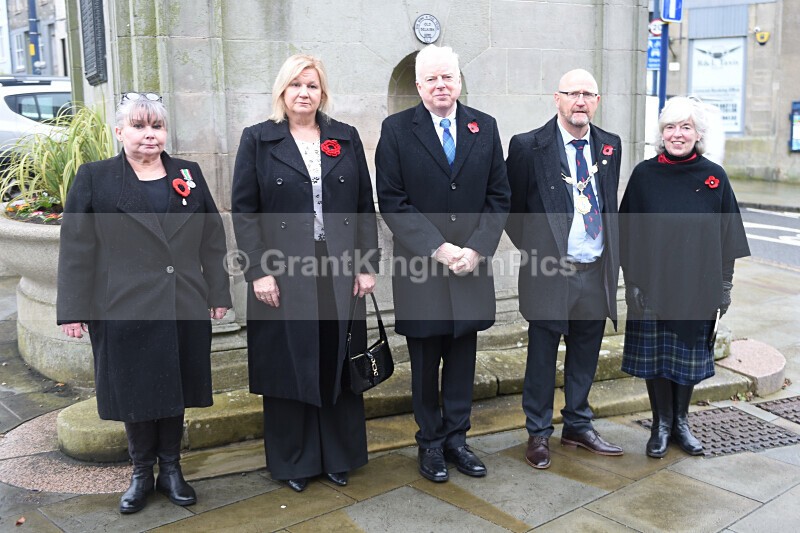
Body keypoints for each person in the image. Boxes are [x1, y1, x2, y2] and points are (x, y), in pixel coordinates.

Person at [57, 93, 232, 514]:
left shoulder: (187, 174)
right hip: (123, 305)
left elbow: (212, 238)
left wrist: (218, 292)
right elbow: (77, 246)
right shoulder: (95, 178)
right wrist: (73, 308)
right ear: (120, 132)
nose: (149, 134)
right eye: (138, 126)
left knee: (175, 386)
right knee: (136, 390)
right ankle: (140, 472)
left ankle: (172, 469)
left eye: (156, 126)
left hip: (182, 300)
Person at [231, 54, 379, 493]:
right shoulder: (258, 140)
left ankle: (338, 456)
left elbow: (362, 207)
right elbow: (244, 211)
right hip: (283, 269)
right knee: (290, 363)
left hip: (339, 267)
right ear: (282, 92)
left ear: (322, 92)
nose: (304, 93)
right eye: (296, 85)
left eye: (312, 86)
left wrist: (367, 265)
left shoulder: (344, 137)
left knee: (336, 357)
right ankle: (294, 460)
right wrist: (257, 270)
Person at [376, 44, 510, 483]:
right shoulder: (396, 131)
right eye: (431, 79)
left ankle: (457, 439)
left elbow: (499, 197)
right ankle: (430, 443)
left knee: (462, 359)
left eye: (447, 77)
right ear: (418, 85)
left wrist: (475, 249)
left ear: (458, 81)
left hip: (471, 267)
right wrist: (438, 248)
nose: (440, 85)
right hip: (422, 271)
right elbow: (392, 202)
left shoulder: (483, 128)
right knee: (425, 361)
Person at [505, 69, 623, 470]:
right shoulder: (528, 147)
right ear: (557, 98)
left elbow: (608, 204)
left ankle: (577, 424)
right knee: (542, 355)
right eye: (572, 93)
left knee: (586, 351)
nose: (580, 101)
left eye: (588, 94)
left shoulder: (610, 145)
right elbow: (513, 212)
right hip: (549, 268)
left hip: (595, 268)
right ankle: (538, 433)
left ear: (597, 101)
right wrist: (540, 252)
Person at [620, 96, 750, 458]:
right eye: (670, 127)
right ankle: (660, 425)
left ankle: (681, 422)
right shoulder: (645, 175)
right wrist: (632, 283)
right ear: (661, 134)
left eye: (686, 127)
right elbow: (626, 234)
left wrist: (725, 287)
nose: (677, 134)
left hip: (698, 289)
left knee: (686, 359)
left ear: (698, 133)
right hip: (652, 287)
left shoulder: (715, 177)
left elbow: (729, 238)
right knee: (657, 360)